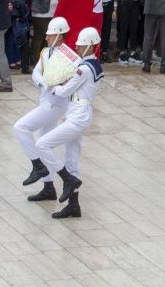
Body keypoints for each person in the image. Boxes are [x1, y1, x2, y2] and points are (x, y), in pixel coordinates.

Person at [34, 26, 104, 220]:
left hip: (78, 115)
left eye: (82, 46)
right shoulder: (94, 65)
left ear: (91, 47)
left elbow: (64, 91)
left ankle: (67, 179)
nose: (78, 48)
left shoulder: (83, 69)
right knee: (71, 158)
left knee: (42, 144)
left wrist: (52, 85)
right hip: (79, 112)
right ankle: (74, 205)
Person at [15, 17, 72, 194]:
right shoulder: (46, 52)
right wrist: (44, 83)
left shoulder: (67, 56)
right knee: (44, 143)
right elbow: (36, 72)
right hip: (46, 99)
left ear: (60, 35)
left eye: (50, 34)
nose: (46, 37)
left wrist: (54, 84)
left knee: (21, 127)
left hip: (55, 104)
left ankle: (37, 165)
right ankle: (49, 186)